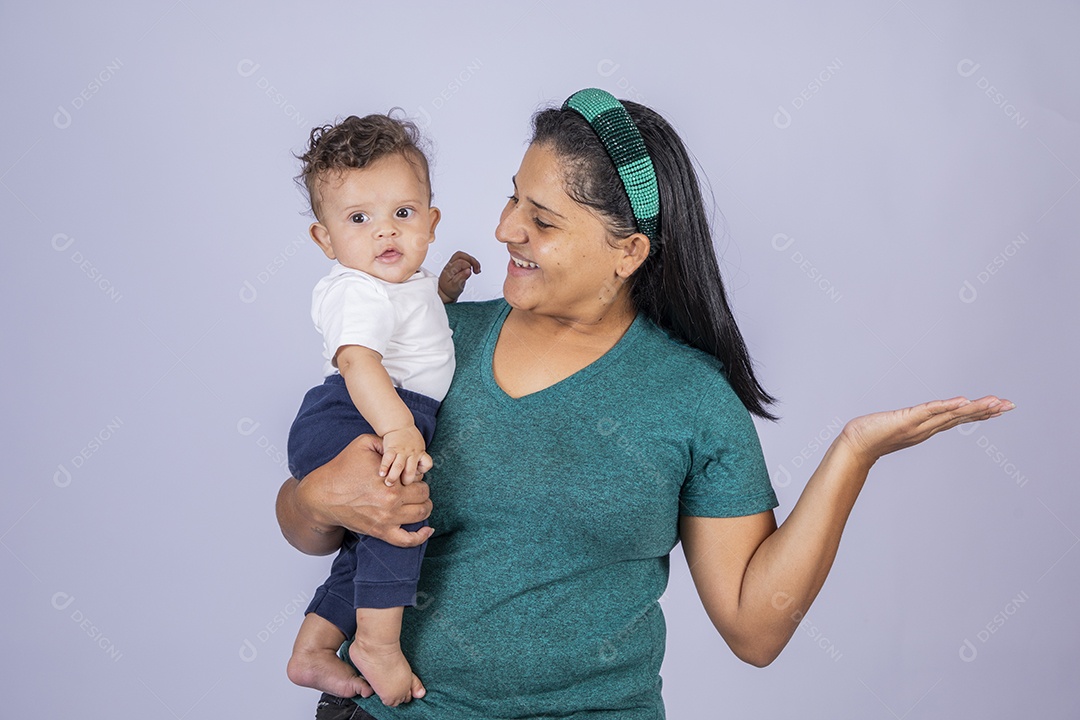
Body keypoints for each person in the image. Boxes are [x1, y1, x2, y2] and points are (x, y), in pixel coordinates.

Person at [276, 89, 1014, 720]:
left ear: (627, 252)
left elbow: (755, 631)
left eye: (544, 218)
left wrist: (854, 451)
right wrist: (315, 498)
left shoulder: (692, 399)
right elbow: (306, 526)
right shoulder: (433, 344)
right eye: (512, 197)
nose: (505, 229)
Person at [282, 113, 480, 707]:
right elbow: (361, 362)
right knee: (403, 519)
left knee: (370, 540)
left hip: (381, 413)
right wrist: (397, 429)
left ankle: (314, 648)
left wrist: (442, 292)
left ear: (431, 221)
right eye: (359, 219)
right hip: (356, 413)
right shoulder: (355, 289)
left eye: (403, 213)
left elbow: (411, 324)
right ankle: (377, 644)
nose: (384, 232)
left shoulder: (395, 283)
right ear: (326, 240)